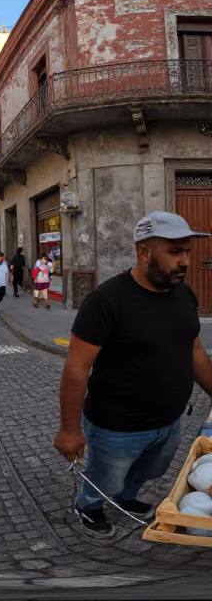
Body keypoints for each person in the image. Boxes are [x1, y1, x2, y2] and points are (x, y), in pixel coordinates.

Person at [54, 211, 212, 536]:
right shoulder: (106, 300)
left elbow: (193, 348)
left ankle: (126, 497)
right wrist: (69, 430)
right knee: (105, 478)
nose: (184, 261)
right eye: (174, 252)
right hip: (117, 427)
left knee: (148, 470)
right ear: (144, 253)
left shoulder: (183, 293)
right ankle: (89, 506)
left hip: (169, 422)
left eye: (186, 251)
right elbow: (76, 369)